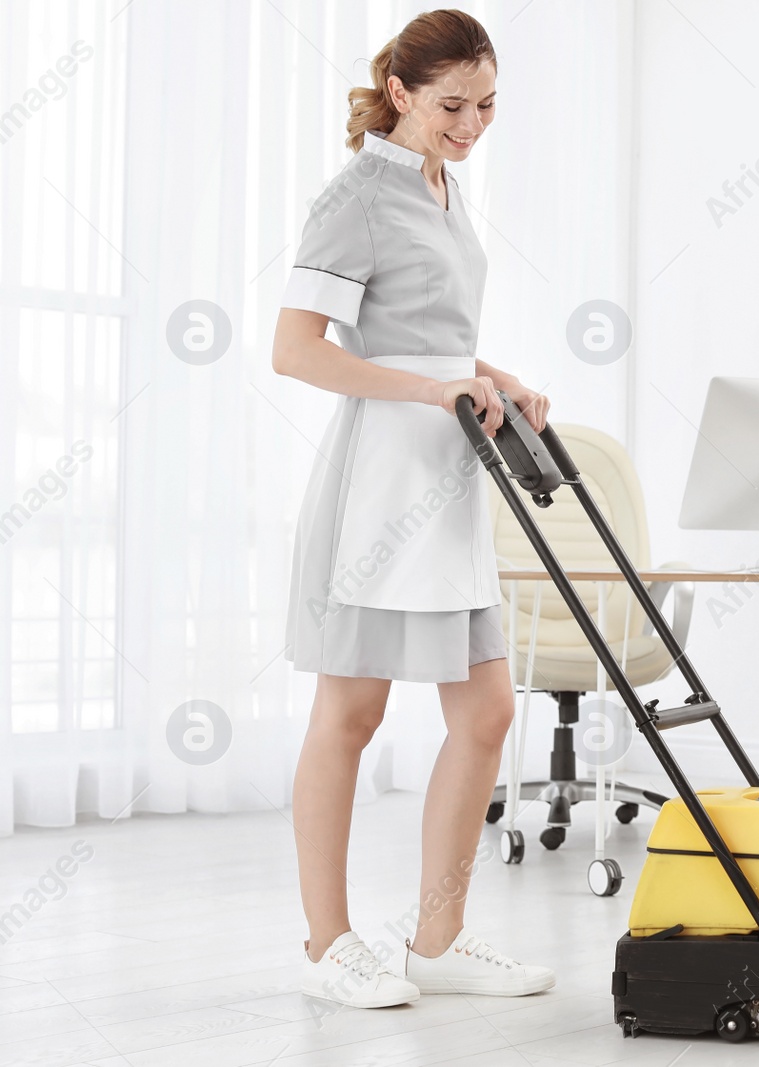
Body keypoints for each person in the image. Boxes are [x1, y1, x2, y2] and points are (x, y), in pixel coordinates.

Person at [271, 8, 553, 1008]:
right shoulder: (356, 196)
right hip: (381, 480)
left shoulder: (447, 187)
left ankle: (437, 936)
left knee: (486, 712)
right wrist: (432, 391)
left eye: (486, 107)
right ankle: (327, 941)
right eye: (451, 107)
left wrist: (491, 375)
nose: (471, 126)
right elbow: (297, 348)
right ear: (399, 92)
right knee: (351, 710)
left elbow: (426, 335)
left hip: (452, 474)